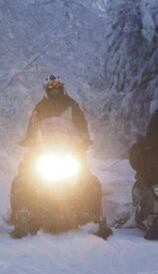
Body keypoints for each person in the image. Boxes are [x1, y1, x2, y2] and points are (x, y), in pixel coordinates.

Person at [11, 75, 104, 236]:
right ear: (46, 91)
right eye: (51, 89)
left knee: (88, 179)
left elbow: (81, 125)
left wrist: (84, 140)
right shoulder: (40, 108)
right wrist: (29, 141)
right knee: (24, 177)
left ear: (62, 88)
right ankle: (22, 211)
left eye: (57, 88)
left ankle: (95, 213)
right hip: (45, 150)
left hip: (68, 150)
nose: (54, 92)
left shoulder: (72, 105)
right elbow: (33, 127)